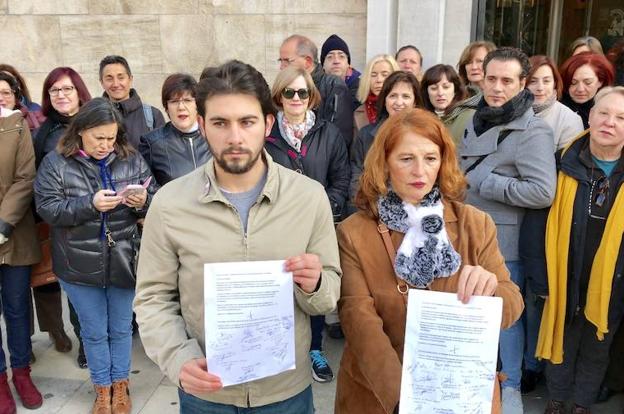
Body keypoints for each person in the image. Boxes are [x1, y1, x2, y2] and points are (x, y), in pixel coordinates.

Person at [134, 60, 341, 414]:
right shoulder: (170, 203)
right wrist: (177, 358)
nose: (234, 137)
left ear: (267, 124)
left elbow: (328, 296)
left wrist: (315, 283)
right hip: (207, 393)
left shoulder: (309, 197)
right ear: (201, 125)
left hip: (286, 393)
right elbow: (153, 298)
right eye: (220, 123)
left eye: (247, 122)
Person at [335, 108, 524, 414]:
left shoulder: (475, 224)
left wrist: (492, 291)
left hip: (461, 392)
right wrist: (404, 400)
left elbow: (512, 307)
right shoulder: (354, 232)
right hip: (382, 396)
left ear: (443, 161)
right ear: (384, 162)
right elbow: (359, 321)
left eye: (430, 158)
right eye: (406, 158)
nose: (419, 171)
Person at [34, 97, 156, 414]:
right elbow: (46, 208)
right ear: (80, 131)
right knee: (93, 331)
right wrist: (89, 204)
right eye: (98, 138)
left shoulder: (131, 159)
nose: (105, 145)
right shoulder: (56, 162)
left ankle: (121, 385)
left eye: (111, 138)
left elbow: (155, 200)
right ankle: (102, 389)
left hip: (124, 259)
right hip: (77, 263)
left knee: (120, 328)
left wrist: (143, 201)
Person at [459, 47, 557, 414]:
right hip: (465, 232)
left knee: (506, 319)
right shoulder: (473, 116)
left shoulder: (534, 131)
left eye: (506, 81)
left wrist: (488, 182)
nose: (497, 88)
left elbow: (542, 191)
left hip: (504, 241)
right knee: (470, 310)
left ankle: (512, 386)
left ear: (521, 84)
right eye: (491, 78)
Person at [535, 86, 624, 414]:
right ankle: (557, 400)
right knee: (563, 337)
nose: (610, 122)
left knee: (597, 347)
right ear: (590, 115)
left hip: (613, 281)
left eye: (621, 117)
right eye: (604, 113)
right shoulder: (564, 162)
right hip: (565, 272)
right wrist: (542, 279)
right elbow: (538, 224)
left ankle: (582, 404)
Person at [266, 67, 349, 383]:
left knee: (311, 285)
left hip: (317, 224)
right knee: (280, 289)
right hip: (277, 224)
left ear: (311, 95)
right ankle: (279, 351)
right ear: (280, 96)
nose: (296, 98)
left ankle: (314, 349)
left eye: (302, 92)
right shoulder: (269, 136)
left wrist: (324, 207)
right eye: (289, 92)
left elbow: (341, 178)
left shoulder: (328, 134)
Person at [32, 66, 92, 368]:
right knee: (74, 288)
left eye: (67, 88)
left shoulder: (95, 122)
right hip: (65, 223)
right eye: (54, 90)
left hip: (98, 216)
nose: (61, 95)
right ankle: (84, 342)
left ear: (79, 91)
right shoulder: (43, 133)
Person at [0, 91, 43, 414]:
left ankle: (22, 372)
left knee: (17, 309)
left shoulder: (17, 125)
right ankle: (0, 379)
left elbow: (25, 178)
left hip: (13, 233)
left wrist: (2, 224)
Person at [350, 71, 421, 203]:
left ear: (415, 101)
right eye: (393, 96)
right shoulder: (365, 136)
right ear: (384, 101)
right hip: (374, 210)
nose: (399, 102)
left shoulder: (426, 136)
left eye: (406, 96)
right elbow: (357, 178)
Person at [279, 35, 353, 147]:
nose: (281, 67)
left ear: (307, 62)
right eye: (281, 61)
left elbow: (339, 139)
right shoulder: (282, 87)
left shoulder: (333, 86)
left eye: (287, 61)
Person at [139, 73, 210, 186]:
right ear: (166, 108)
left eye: (187, 100)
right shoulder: (152, 144)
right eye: (174, 101)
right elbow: (148, 190)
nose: (181, 107)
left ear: (197, 104)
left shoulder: (214, 136)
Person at [99, 55, 165, 149]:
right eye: (109, 79)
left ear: (130, 79)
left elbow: (162, 155)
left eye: (121, 77)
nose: (116, 84)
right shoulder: (95, 117)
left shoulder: (152, 116)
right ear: (102, 82)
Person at [527, 56, 585, 151]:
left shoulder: (570, 120)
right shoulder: (512, 111)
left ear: (554, 83)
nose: (540, 88)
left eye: (546, 81)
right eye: (533, 81)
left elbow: (567, 163)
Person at [560, 52, 615, 129]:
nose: (580, 89)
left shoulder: (613, 108)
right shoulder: (556, 109)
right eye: (573, 83)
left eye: (587, 82)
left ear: (601, 81)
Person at [420, 64, 470, 144]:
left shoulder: (469, 117)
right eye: (434, 88)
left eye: (446, 87)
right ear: (426, 92)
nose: (440, 93)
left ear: (455, 90)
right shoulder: (419, 119)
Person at [353, 54, 399, 135]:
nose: (379, 80)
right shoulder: (358, 113)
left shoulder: (402, 107)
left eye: (384, 75)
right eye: (373, 75)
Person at [321, 34, 361, 111]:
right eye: (330, 57)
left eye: (341, 56)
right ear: (323, 65)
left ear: (348, 64)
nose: (336, 61)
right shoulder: (315, 90)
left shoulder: (362, 91)